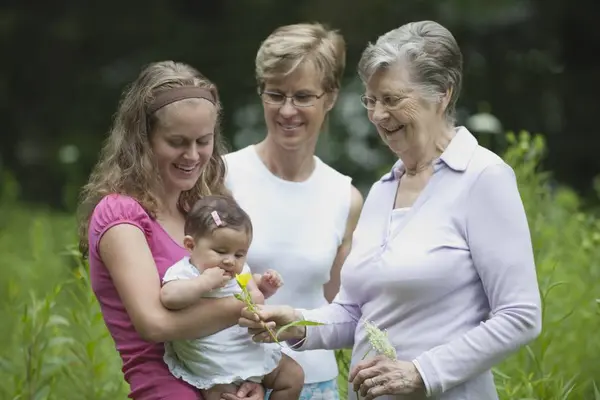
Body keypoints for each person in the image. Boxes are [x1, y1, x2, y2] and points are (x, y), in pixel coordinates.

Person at [238, 20, 542, 400]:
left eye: (393, 99)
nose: (378, 115)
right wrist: (296, 322)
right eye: (371, 100)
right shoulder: (384, 190)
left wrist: (421, 373)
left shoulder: (483, 178)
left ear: (442, 95)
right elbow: (355, 313)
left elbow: (520, 316)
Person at [77, 60, 265, 400]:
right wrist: (244, 308)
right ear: (143, 139)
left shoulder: (202, 210)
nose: (192, 155)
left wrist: (250, 377)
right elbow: (154, 324)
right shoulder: (121, 214)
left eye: (203, 141)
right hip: (166, 388)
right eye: (177, 142)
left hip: (224, 376)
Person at [223, 22, 364, 399]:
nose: (288, 111)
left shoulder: (344, 197)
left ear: (330, 97)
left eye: (303, 96)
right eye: (275, 94)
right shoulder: (225, 177)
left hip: (315, 384)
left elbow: (345, 311)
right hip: (234, 384)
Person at [159, 195, 304, 400]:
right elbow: (168, 297)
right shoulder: (185, 272)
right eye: (220, 251)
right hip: (214, 363)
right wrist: (203, 283)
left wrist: (263, 287)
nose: (229, 261)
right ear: (191, 245)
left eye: (239, 254)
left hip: (249, 350)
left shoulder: (241, 271)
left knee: (293, 376)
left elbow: (255, 298)